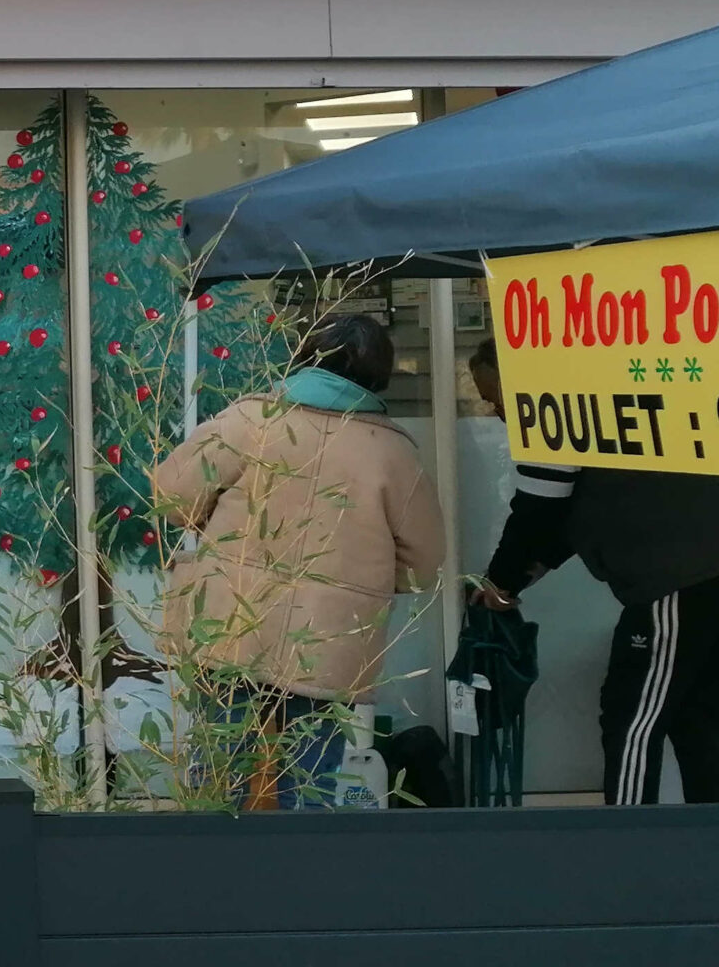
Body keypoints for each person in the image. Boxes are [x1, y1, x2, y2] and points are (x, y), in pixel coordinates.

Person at [153, 313, 446, 807]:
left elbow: (171, 494)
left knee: (218, 775)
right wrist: (368, 583)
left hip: (231, 621)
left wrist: (207, 521)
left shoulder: (251, 420)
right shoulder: (394, 452)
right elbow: (425, 559)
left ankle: (210, 857)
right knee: (312, 781)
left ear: (305, 356)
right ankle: (305, 858)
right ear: (380, 374)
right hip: (331, 636)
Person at [477, 346, 719, 804]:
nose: (495, 412)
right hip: (699, 567)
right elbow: (587, 507)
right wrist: (522, 575)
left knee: (632, 716)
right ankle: (705, 836)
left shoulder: (554, 403)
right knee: (697, 715)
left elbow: (538, 508)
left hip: (674, 574)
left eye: (495, 398)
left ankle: (628, 836)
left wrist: (501, 581)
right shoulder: (601, 394)